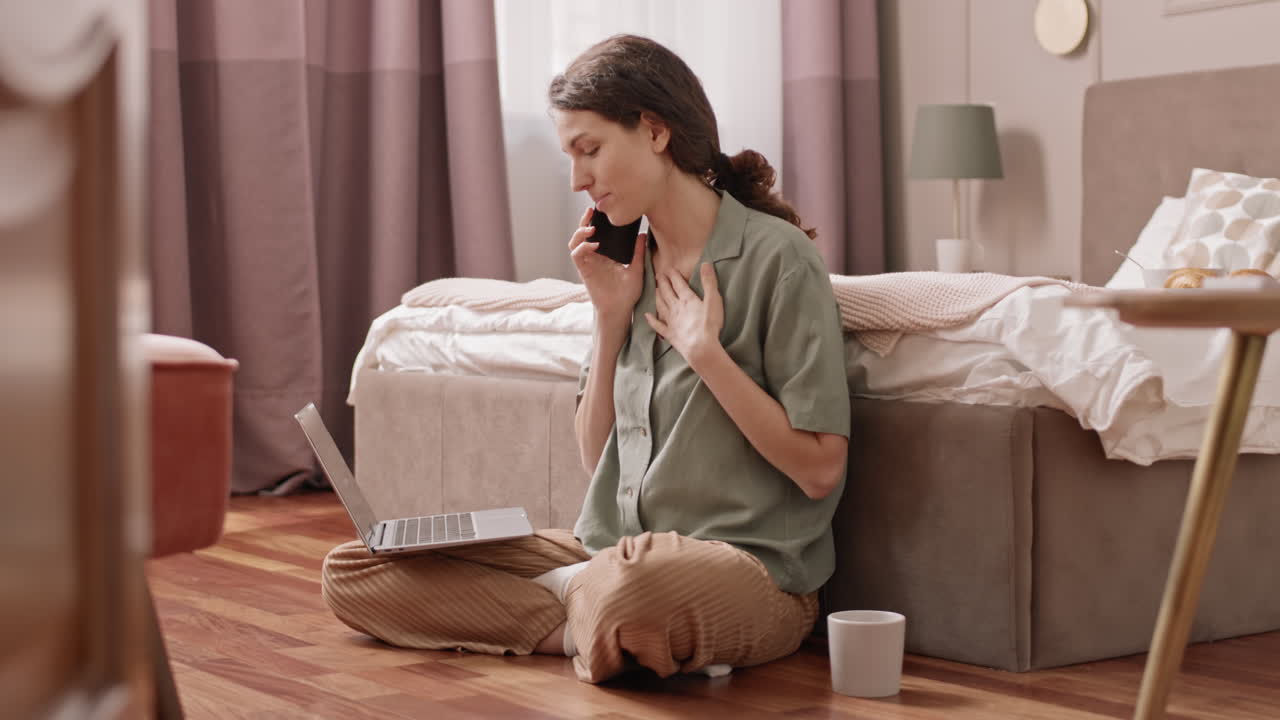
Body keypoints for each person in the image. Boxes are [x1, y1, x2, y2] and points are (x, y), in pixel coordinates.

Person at [321, 34, 850, 684]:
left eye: (590, 150)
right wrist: (608, 318)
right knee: (356, 569)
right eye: (570, 156)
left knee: (633, 586)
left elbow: (822, 470)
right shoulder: (628, 268)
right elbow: (597, 460)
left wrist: (705, 353)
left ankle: (588, 606)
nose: (578, 180)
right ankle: (587, 617)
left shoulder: (779, 260)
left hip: (745, 571)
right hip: (608, 549)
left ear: (655, 131)